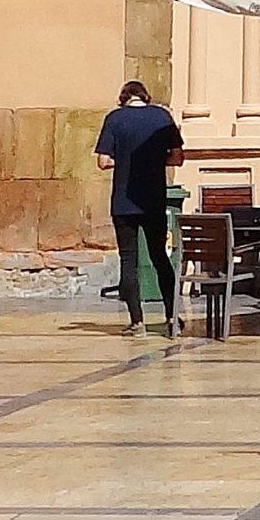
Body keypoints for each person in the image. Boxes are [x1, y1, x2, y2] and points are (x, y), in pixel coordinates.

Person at [94, 79, 184, 335]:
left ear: (124, 97)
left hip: (123, 202)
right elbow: (177, 157)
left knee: (128, 259)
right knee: (160, 257)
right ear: (145, 96)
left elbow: (103, 161)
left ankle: (137, 322)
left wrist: (123, 162)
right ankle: (171, 317)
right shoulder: (161, 116)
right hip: (154, 199)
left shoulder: (114, 119)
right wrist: (155, 161)